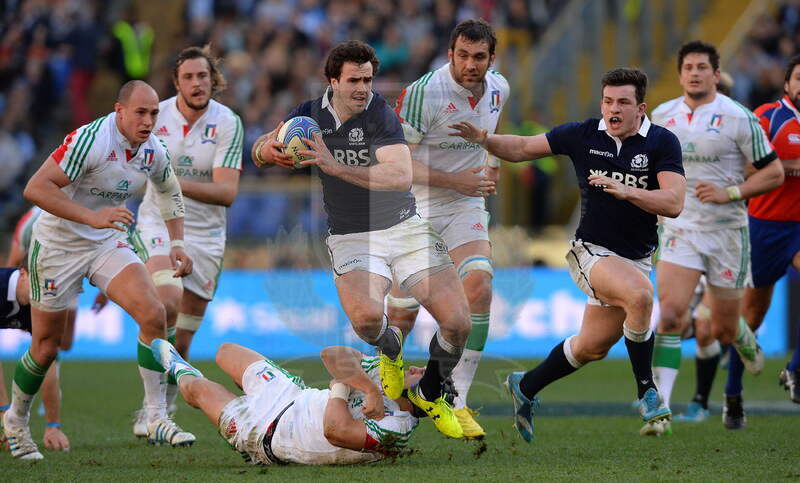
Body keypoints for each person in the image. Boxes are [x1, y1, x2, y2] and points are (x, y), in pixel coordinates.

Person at [450, 67, 686, 441]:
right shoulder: (582, 134)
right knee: (641, 295)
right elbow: (525, 148)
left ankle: (525, 385)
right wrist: (485, 139)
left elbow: (674, 202)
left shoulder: (661, 142)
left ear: (641, 107)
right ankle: (647, 392)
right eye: (608, 101)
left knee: (591, 347)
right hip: (590, 252)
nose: (614, 109)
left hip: (636, 258)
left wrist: (628, 192)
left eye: (623, 102)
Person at [251, 40, 470, 439]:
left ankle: (432, 391)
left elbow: (400, 176)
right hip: (352, 235)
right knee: (368, 321)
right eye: (353, 80)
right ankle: (391, 352)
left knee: (457, 323)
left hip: (403, 226)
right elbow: (259, 149)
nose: (362, 88)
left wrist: (334, 167)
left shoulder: (380, 114)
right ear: (332, 81)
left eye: (368, 79)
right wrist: (270, 151)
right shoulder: (308, 116)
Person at [3, 80, 194, 460]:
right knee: (46, 348)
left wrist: (176, 243)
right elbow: (36, 188)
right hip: (57, 247)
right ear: (119, 111)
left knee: (154, 312)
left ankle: (154, 416)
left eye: (154, 113)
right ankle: (16, 421)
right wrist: (92, 217)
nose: (148, 120)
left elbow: (170, 190)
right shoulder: (90, 140)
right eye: (140, 112)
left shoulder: (153, 150)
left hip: (104, 240)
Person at [650, 41, 784, 431]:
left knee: (722, 329)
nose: (694, 73)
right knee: (671, 315)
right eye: (688, 67)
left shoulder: (739, 117)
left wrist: (730, 193)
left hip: (727, 233)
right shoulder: (661, 116)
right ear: (680, 75)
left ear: (715, 73)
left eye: (702, 67)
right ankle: (659, 410)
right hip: (681, 229)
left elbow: (773, 172)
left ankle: (742, 336)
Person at [389, 19, 508, 439]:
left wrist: (489, 170)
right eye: (463, 55)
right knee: (399, 317)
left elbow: (489, 140)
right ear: (450, 54)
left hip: (464, 206)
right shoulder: (425, 93)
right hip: (416, 207)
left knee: (479, 284)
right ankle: (386, 399)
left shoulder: (499, 88)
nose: (470, 64)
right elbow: (398, 165)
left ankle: (454, 396)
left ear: (491, 59)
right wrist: (456, 180)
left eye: (479, 57)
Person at [129, 45, 242, 437]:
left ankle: (165, 405)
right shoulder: (153, 116)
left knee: (183, 342)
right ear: (176, 83)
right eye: (189, 77)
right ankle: (151, 410)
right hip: (157, 224)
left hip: (207, 237)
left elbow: (226, 192)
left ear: (213, 80)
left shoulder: (227, 122)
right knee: (166, 304)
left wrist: (170, 181)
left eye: (203, 76)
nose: (197, 83)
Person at [149, 339, 421, 465]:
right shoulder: (386, 376)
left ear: (423, 397)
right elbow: (331, 355)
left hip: (269, 433)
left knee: (197, 390)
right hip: (291, 394)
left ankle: (178, 367)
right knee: (226, 351)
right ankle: (249, 395)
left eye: (423, 375)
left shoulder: (396, 428)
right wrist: (369, 390)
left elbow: (336, 430)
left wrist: (340, 385)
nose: (416, 369)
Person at [745, 54, 800, 406]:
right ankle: (731, 393)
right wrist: (791, 167)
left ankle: (795, 368)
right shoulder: (767, 117)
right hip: (764, 226)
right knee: (751, 316)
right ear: (787, 84)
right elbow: (749, 170)